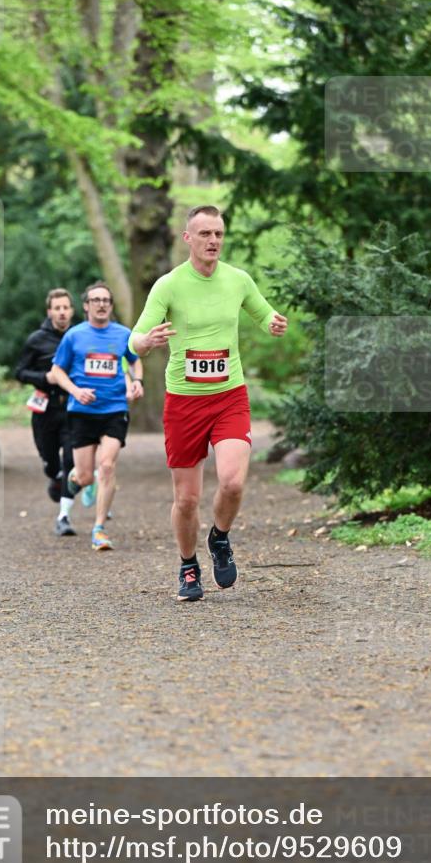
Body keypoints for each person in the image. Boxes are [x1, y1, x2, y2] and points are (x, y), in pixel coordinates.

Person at [129, 205, 288, 601]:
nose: (213, 241)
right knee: (187, 499)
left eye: (218, 234)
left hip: (229, 395)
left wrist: (272, 323)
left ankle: (219, 538)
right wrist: (146, 343)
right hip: (184, 401)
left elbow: (263, 312)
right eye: (205, 234)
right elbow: (136, 336)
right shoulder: (168, 285)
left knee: (233, 483)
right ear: (188, 238)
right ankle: (187, 566)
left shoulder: (238, 280)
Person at [50, 282, 144, 550]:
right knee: (85, 477)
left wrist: (136, 380)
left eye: (106, 300)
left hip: (114, 409)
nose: (101, 304)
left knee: (107, 466)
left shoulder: (123, 334)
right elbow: (57, 371)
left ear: (111, 306)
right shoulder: (74, 336)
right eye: (96, 300)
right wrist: (76, 391)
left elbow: (136, 360)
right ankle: (77, 480)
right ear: (86, 306)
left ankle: (99, 528)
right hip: (81, 412)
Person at [15, 288, 83, 536]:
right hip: (45, 409)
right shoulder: (36, 340)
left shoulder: (80, 337)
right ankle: (54, 475)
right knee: (50, 460)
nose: (62, 312)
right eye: (58, 308)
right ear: (50, 311)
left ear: (72, 311)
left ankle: (63, 517)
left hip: (73, 408)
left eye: (66, 308)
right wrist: (46, 377)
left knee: (70, 460)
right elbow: (20, 372)